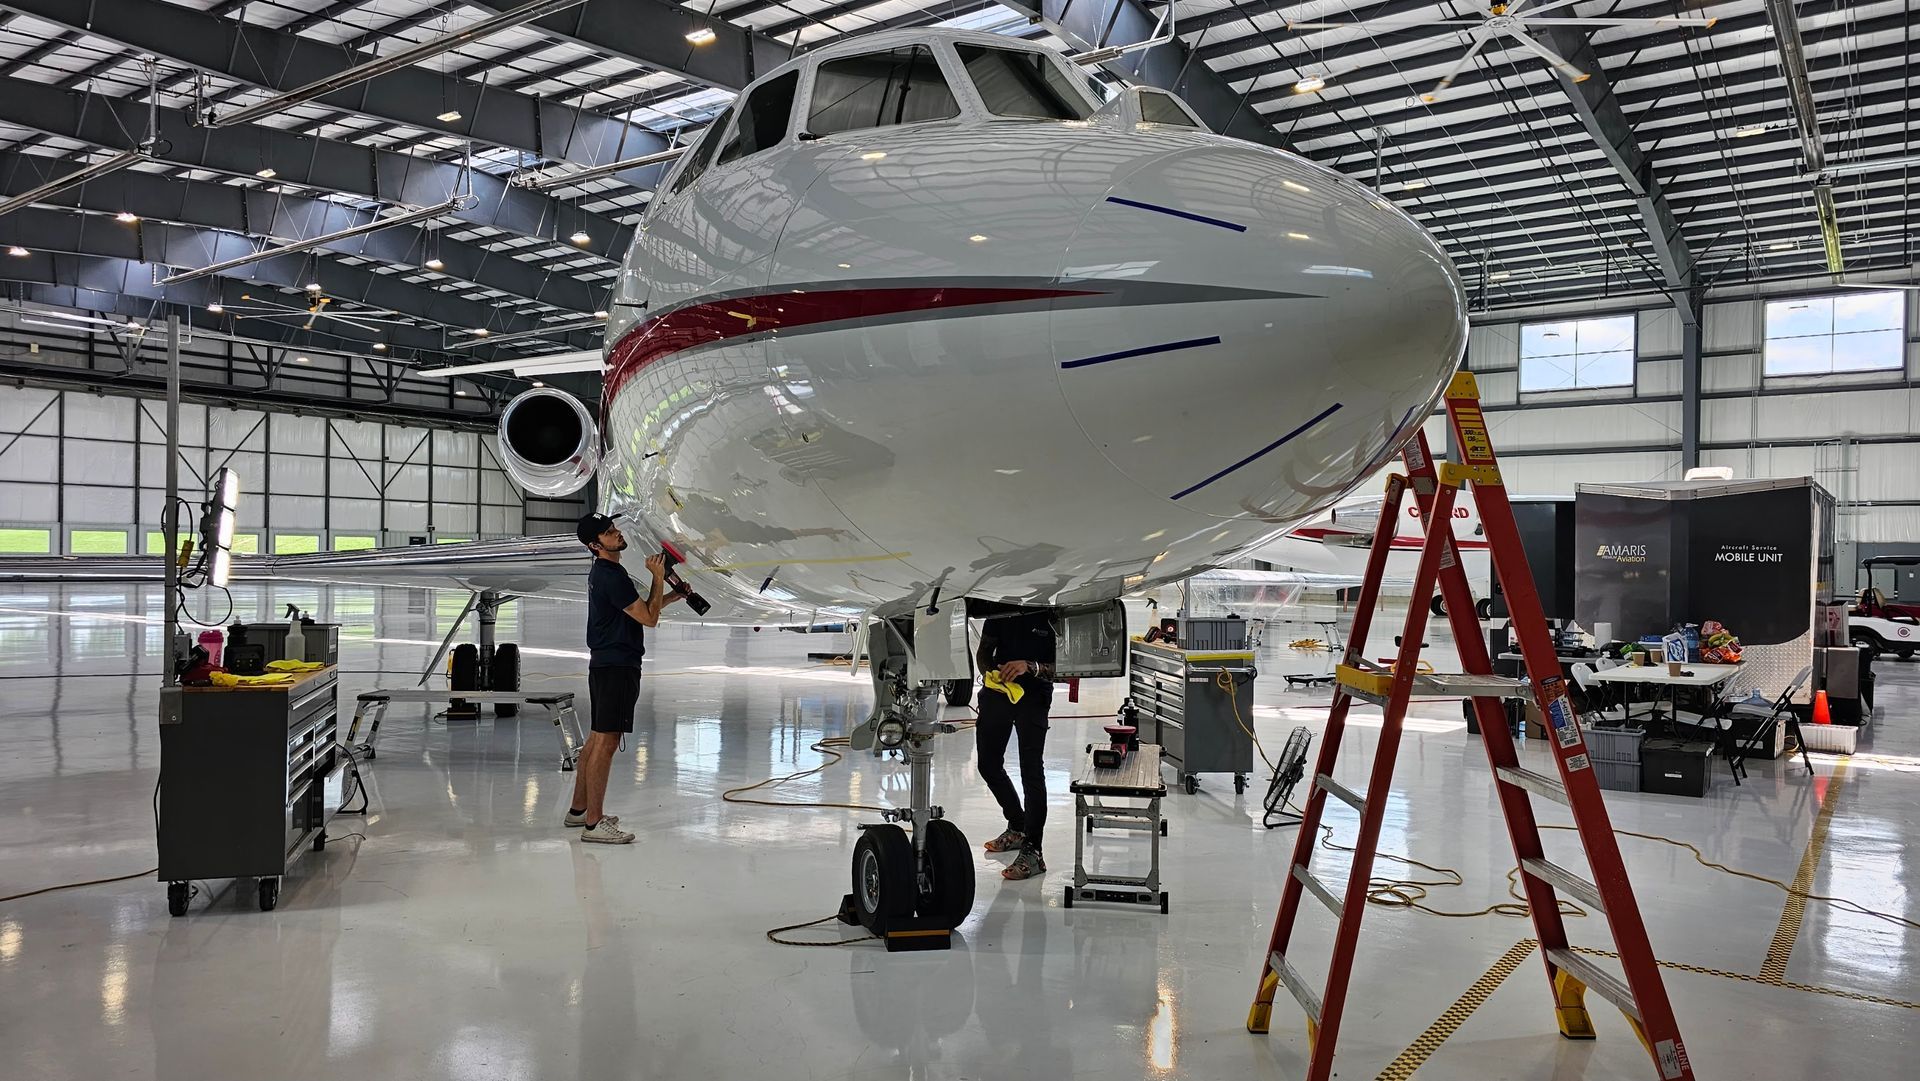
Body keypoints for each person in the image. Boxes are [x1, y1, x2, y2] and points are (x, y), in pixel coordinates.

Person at [567, 512, 681, 844]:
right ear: (595, 545)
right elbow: (648, 619)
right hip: (617, 667)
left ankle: (578, 811)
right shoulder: (612, 575)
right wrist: (658, 577)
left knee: (595, 740)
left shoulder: (606, 572)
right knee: (606, 743)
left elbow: (637, 611)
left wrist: (671, 596)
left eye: (614, 529)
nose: (616, 534)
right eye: (608, 533)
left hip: (605, 664)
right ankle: (594, 824)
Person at [974, 610, 1055, 880]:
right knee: (988, 764)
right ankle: (1017, 824)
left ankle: (1034, 851)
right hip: (999, 690)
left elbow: (1067, 667)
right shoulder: (1001, 606)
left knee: (1031, 770)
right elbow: (983, 652)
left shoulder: (1052, 612)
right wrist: (991, 673)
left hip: (1034, 694)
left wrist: (1030, 666)